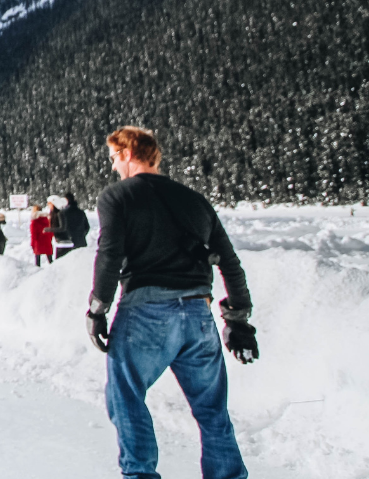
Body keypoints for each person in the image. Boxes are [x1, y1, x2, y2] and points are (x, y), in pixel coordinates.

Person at [86, 126, 258, 479]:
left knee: (126, 398)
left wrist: (97, 308)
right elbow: (229, 261)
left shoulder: (117, 196)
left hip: (145, 313)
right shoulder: (195, 200)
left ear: (129, 154)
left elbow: (109, 254)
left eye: (115, 157)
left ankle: (140, 475)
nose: (113, 166)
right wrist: (237, 319)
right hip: (198, 315)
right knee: (212, 411)